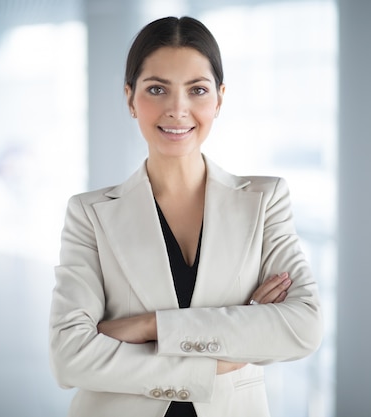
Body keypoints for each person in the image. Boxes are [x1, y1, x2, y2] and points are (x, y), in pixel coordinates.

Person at [49, 16, 322, 417]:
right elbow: (69, 356)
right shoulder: (90, 214)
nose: (177, 110)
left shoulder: (265, 201)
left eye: (197, 90)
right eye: (156, 89)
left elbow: (303, 327)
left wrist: (150, 327)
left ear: (219, 99)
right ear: (129, 98)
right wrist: (233, 344)